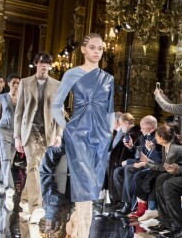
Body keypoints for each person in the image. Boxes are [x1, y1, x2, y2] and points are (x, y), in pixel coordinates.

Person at [52, 33, 114, 238]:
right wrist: (67, 128)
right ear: (84, 49)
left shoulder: (108, 79)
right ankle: (83, 233)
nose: (97, 52)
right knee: (85, 188)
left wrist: (109, 136)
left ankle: (75, 222)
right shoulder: (72, 74)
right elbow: (55, 106)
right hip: (78, 135)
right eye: (93, 47)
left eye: (100, 48)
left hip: (101, 137)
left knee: (91, 189)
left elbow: (110, 111)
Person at [14, 52, 62, 224]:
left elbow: (59, 111)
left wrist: (58, 133)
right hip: (29, 130)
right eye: (41, 62)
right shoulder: (26, 83)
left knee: (33, 165)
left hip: (46, 131)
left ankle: (25, 200)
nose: (44, 66)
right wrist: (16, 136)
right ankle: (36, 207)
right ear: (36, 64)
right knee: (33, 166)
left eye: (47, 63)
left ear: (50, 66)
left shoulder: (57, 85)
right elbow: (18, 112)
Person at [0, 73, 21, 209]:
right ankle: (9, 188)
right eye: (13, 83)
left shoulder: (22, 99)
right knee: (5, 159)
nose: (16, 85)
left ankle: (1, 183)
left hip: (15, 133)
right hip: (2, 130)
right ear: (8, 84)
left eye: (18, 83)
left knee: (9, 161)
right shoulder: (2, 97)